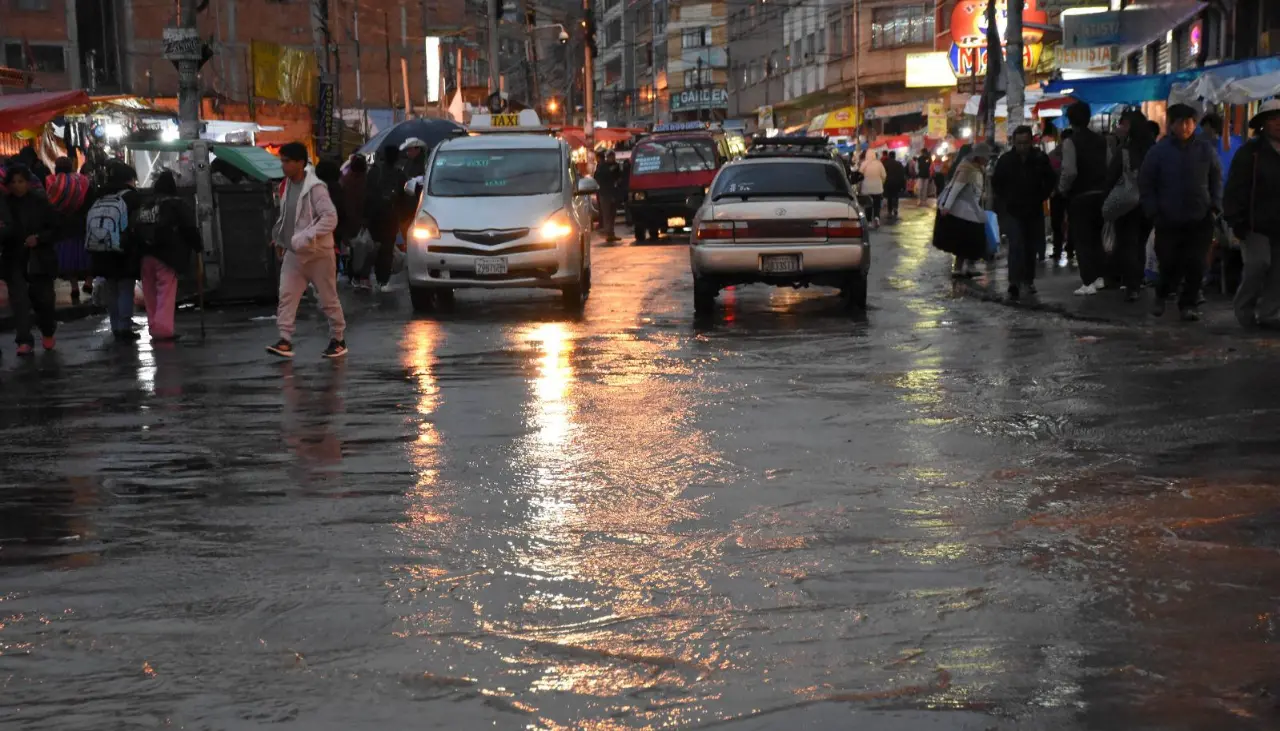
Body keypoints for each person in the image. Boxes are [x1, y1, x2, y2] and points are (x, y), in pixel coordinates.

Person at [1139, 103, 1223, 322]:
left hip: (1200, 216)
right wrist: (1153, 211)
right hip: (1168, 218)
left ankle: (1189, 303)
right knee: (1168, 261)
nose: (1185, 127)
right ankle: (1162, 293)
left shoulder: (1205, 150)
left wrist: (1215, 206)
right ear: (1171, 124)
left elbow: (1216, 178)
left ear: (1195, 124)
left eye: (1190, 122)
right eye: (1180, 122)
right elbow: (1146, 183)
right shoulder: (1158, 152)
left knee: (1196, 263)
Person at [267, 142, 347, 359]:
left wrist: (306, 236)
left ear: (300, 163)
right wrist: (281, 240)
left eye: (287, 161)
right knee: (286, 295)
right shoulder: (285, 186)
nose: (283, 165)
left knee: (328, 298)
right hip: (294, 253)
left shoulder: (315, 188)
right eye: (282, 161)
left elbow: (330, 218)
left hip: (318, 254)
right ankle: (285, 339)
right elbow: (288, 218)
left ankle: (338, 339)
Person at [1224, 99, 1280, 328]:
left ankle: (1269, 313)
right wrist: (1236, 220)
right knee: (1258, 264)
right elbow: (1235, 187)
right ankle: (1244, 307)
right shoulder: (1251, 153)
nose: (1279, 124)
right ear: (1264, 124)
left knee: (1279, 273)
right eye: (1274, 119)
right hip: (1254, 223)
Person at [992, 126, 1056, 301]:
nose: (1022, 147)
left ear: (1031, 142)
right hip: (1012, 210)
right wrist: (1005, 202)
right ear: (1014, 142)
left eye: (1025, 143)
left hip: (1033, 208)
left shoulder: (1039, 158)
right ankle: (1014, 282)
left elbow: (1050, 179)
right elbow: (996, 183)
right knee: (1016, 244)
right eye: (1019, 143)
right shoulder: (1006, 160)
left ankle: (1028, 281)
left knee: (1030, 246)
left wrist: (1041, 196)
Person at [1, 165, 58, 355]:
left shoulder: (40, 202)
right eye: (14, 182)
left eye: (21, 181)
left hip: (39, 259)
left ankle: (48, 331)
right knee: (19, 301)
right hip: (14, 258)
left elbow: (55, 228)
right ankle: (24, 340)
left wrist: (39, 238)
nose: (17, 186)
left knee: (44, 299)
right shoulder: (5, 204)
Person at [136, 171, 200, 340]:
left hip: (145, 254)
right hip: (167, 254)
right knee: (166, 291)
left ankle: (154, 327)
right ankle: (163, 330)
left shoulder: (146, 204)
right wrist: (198, 246)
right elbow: (189, 228)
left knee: (150, 292)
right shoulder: (175, 204)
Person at [1058, 101, 1110, 295]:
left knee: (1082, 239)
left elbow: (1069, 171)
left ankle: (1088, 280)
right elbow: (1109, 164)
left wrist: (1063, 189)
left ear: (1070, 120)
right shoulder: (1101, 140)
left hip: (1080, 196)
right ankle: (1099, 278)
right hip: (1100, 194)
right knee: (1097, 238)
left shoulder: (1071, 142)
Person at [1104, 110, 1156, 302]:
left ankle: (1132, 285)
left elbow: (1110, 178)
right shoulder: (1154, 149)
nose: (1120, 128)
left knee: (1128, 244)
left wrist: (1107, 201)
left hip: (1127, 205)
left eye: (1123, 124)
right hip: (1149, 204)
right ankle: (1137, 281)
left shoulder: (1125, 151)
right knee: (1140, 243)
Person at [90, 162, 143, 341]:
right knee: (125, 288)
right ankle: (124, 327)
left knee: (112, 289)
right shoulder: (132, 198)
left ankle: (114, 326)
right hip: (124, 249)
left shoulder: (99, 195)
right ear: (129, 179)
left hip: (102, 249)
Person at [933, 143, 993, 277]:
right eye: (985, 157)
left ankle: (969, 267)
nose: (987, 159)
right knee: (963, 242)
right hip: (963, 211)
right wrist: (947, 207)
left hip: (973, 209)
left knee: (972, 241)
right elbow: (955, 188)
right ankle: (959, 269)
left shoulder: (978, 168)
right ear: (978, 157)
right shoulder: (967, 169)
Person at [45, 156, 93, 303]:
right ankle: (89, 282)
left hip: (64, 225)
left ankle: (74, 288)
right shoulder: (84, 181)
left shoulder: (52, 181)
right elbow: (90, 201)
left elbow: (49, 204)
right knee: (86, 255)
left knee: (68, 257)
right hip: (82, 223)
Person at [364, 145, 403, 292]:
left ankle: (370, 275)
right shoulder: (399, 174)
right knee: (386, 249)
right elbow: (404, 196)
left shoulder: (374, 172)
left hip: (374, 216)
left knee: (375, 247)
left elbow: (367, 194)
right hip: (390, 217)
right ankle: (383, 280)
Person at [594, 151, 622, 242]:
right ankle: (608, 233)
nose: (612, 158)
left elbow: (619, 177)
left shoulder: (616, 166)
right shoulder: (602, 167)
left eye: (613, 156)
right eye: (610, 157)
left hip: (613, 193)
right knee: (607, 214)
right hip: (605, 194)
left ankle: (611, 233)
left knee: (612, 214)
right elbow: (598, 177)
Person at [859, 152, 887, 227]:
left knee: (868, 205)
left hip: (866, 188)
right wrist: (881, 183)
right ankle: (877, 218)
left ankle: (869, 222)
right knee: (877, 204)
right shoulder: (879, 164)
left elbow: (859, 175)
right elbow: (884, 175)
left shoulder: (864, 164)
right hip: (877, 188)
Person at [882, 151, 907, 222]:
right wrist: (903, 185)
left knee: (889, 197)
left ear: (889, 156)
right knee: (896, 195)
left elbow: (883, 174)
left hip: (888, 182)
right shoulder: (899, 164)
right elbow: (903, 175)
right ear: (895, 156)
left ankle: (889, 211)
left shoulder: (885, 164)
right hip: (897, 183)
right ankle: (895, 208)